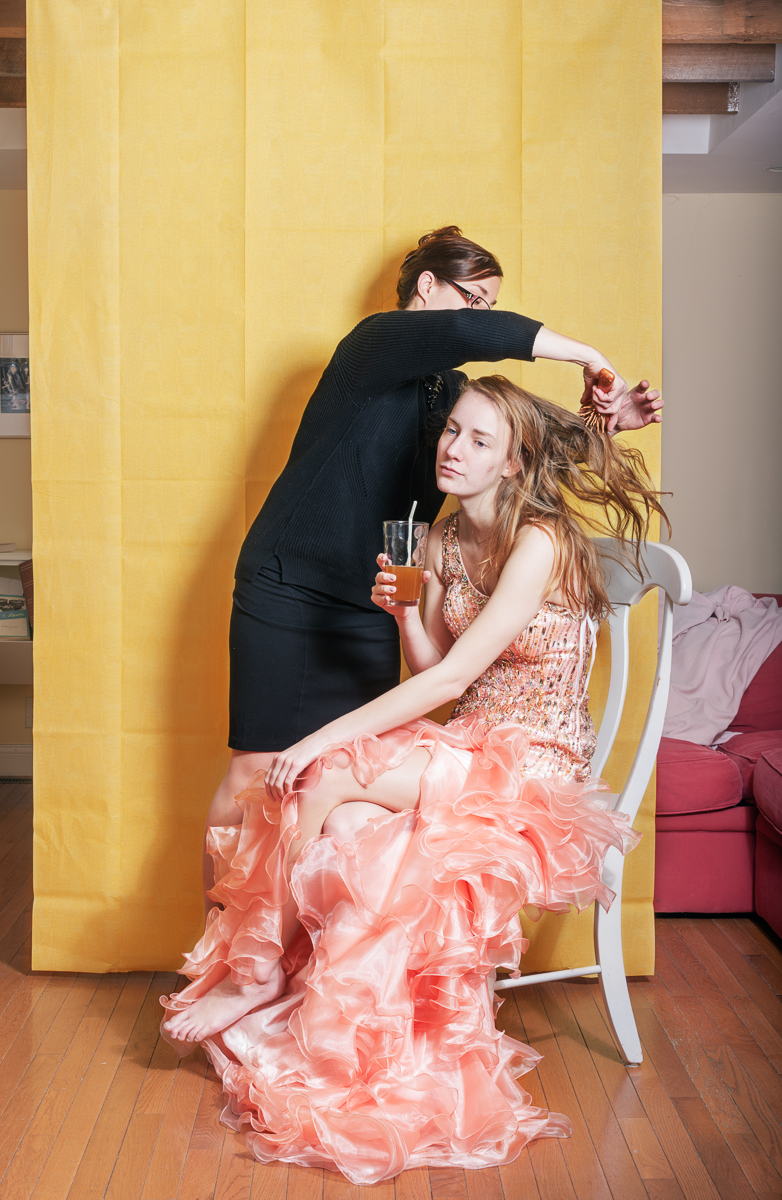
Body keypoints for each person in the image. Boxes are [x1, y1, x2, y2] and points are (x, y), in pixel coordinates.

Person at [161, 374, 668, 1184]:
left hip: (530, 761)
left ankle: (254, 974)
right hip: (471, 739)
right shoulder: (437, 538)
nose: (452, 448)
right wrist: (406, 611)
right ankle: (348, 1038)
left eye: (477, 440)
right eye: (452, 432)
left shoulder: (537, 540)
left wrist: (319, 736)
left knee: (321, 773)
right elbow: (436, 668)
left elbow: (440, 684)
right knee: (356, 831)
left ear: (511, 465)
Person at [204, 225, 662, 902]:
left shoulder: (450, 390)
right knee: (256, 771)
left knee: (331, 773)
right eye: (471, 301)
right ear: (427, 288)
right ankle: (219, 956)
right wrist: (589, 357)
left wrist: (604, 421)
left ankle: (294, 969)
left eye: (486, 305)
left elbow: (516, 448)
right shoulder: (373, 344)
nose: (478, 318)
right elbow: (484, 337)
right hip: (289, 587)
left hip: (370, 602)